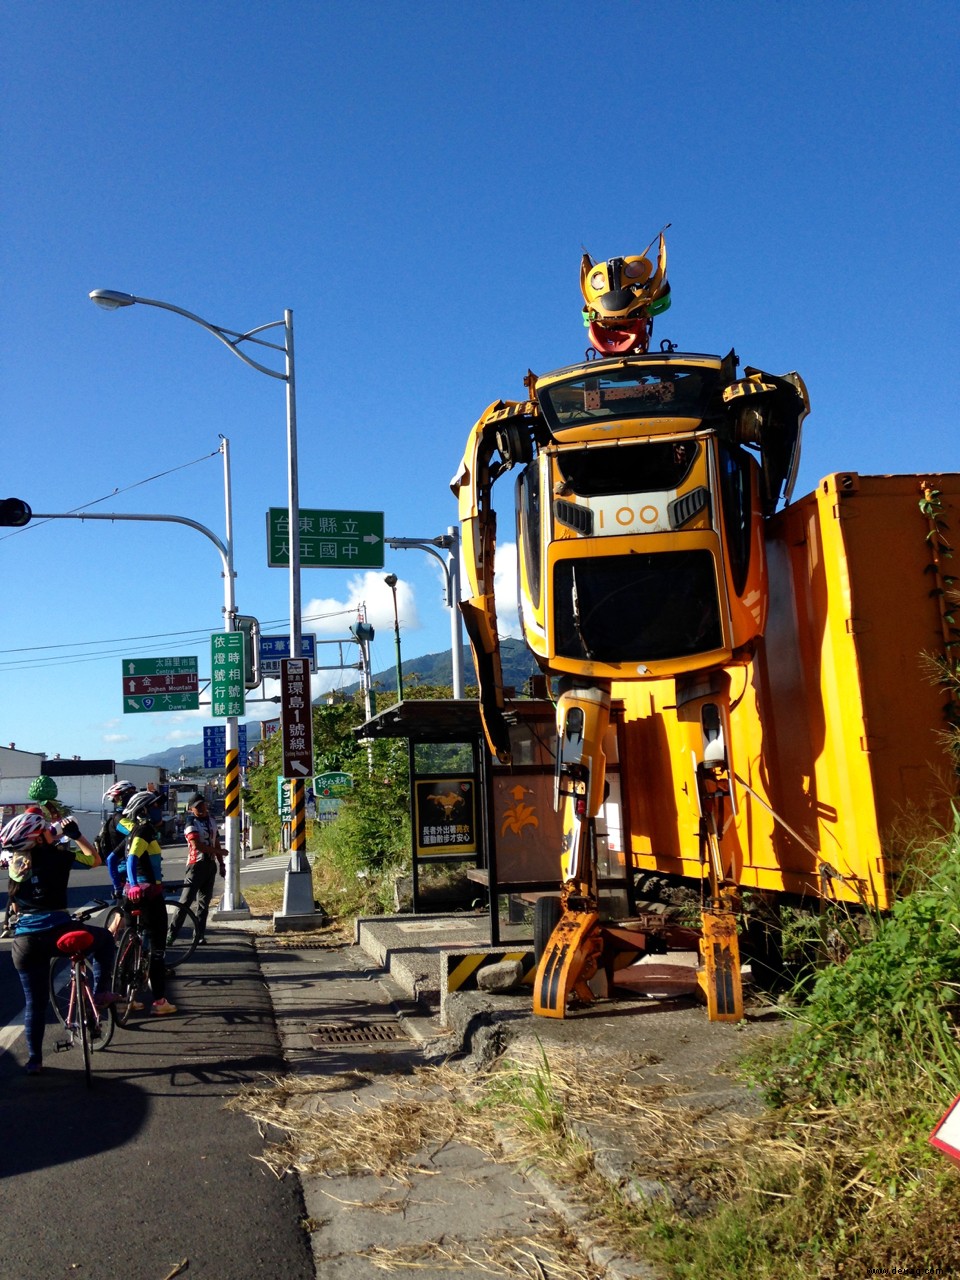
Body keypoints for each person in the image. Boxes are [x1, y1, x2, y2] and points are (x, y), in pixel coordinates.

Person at [3, 804, 117, 1076]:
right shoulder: (58, 857)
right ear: (38, 837)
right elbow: (95, 860)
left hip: (25, 943)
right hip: (58, 933)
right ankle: (100, 991)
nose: (50, 831)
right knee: (103, 939)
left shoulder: (14, 862)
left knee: (34, 1003)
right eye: (44, 829)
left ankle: (34, 1060)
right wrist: (77, 836)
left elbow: (18, 904)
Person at [119, 790, 176, 1016]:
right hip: (147, 894)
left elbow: (116, 858)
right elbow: (133, 858)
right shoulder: (144, 830)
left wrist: (125, 885)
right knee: (157, 948)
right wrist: (135, 884)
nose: (157, 810)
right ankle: (160, 1002)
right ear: (143, 810)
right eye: (153, 806)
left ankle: (127, 997)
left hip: (130, 894)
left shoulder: (131, 831)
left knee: (131, 943)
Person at [168, 793, 224, 948]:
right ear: (191, 809)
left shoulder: (212, 821)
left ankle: (199, 935)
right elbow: (196, 845)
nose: (201, 808)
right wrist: (218, 852)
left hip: (210, 865)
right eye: (197, 806)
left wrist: (221, 863)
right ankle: (171, 934)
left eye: (202, 805)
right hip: (195, 865)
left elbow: (217, 842)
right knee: (185, 901)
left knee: (204, 904)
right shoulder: (190, 822)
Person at [96, 779, 137, 899]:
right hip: (124, 868)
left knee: (122, 914)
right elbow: (134, 833)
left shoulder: (128, 815)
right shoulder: (119, 818)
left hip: (127, 865)